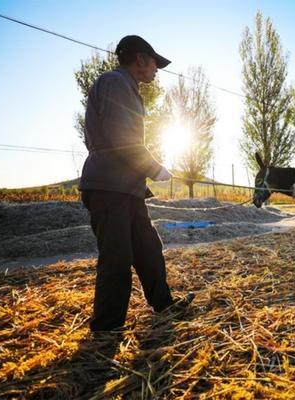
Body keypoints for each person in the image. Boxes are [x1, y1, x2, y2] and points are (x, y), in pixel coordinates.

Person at [79, 35, 192, 332]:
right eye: (155, 62)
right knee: (117, 257)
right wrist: (154, 168)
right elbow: (121, 139)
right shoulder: (115, 83)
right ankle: (106, 329)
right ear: (141, 59)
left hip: (125, 187)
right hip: (108, 187)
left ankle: (164, 305)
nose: (157, 69)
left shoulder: (126, 87)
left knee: (147, 248)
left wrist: (144, 174)